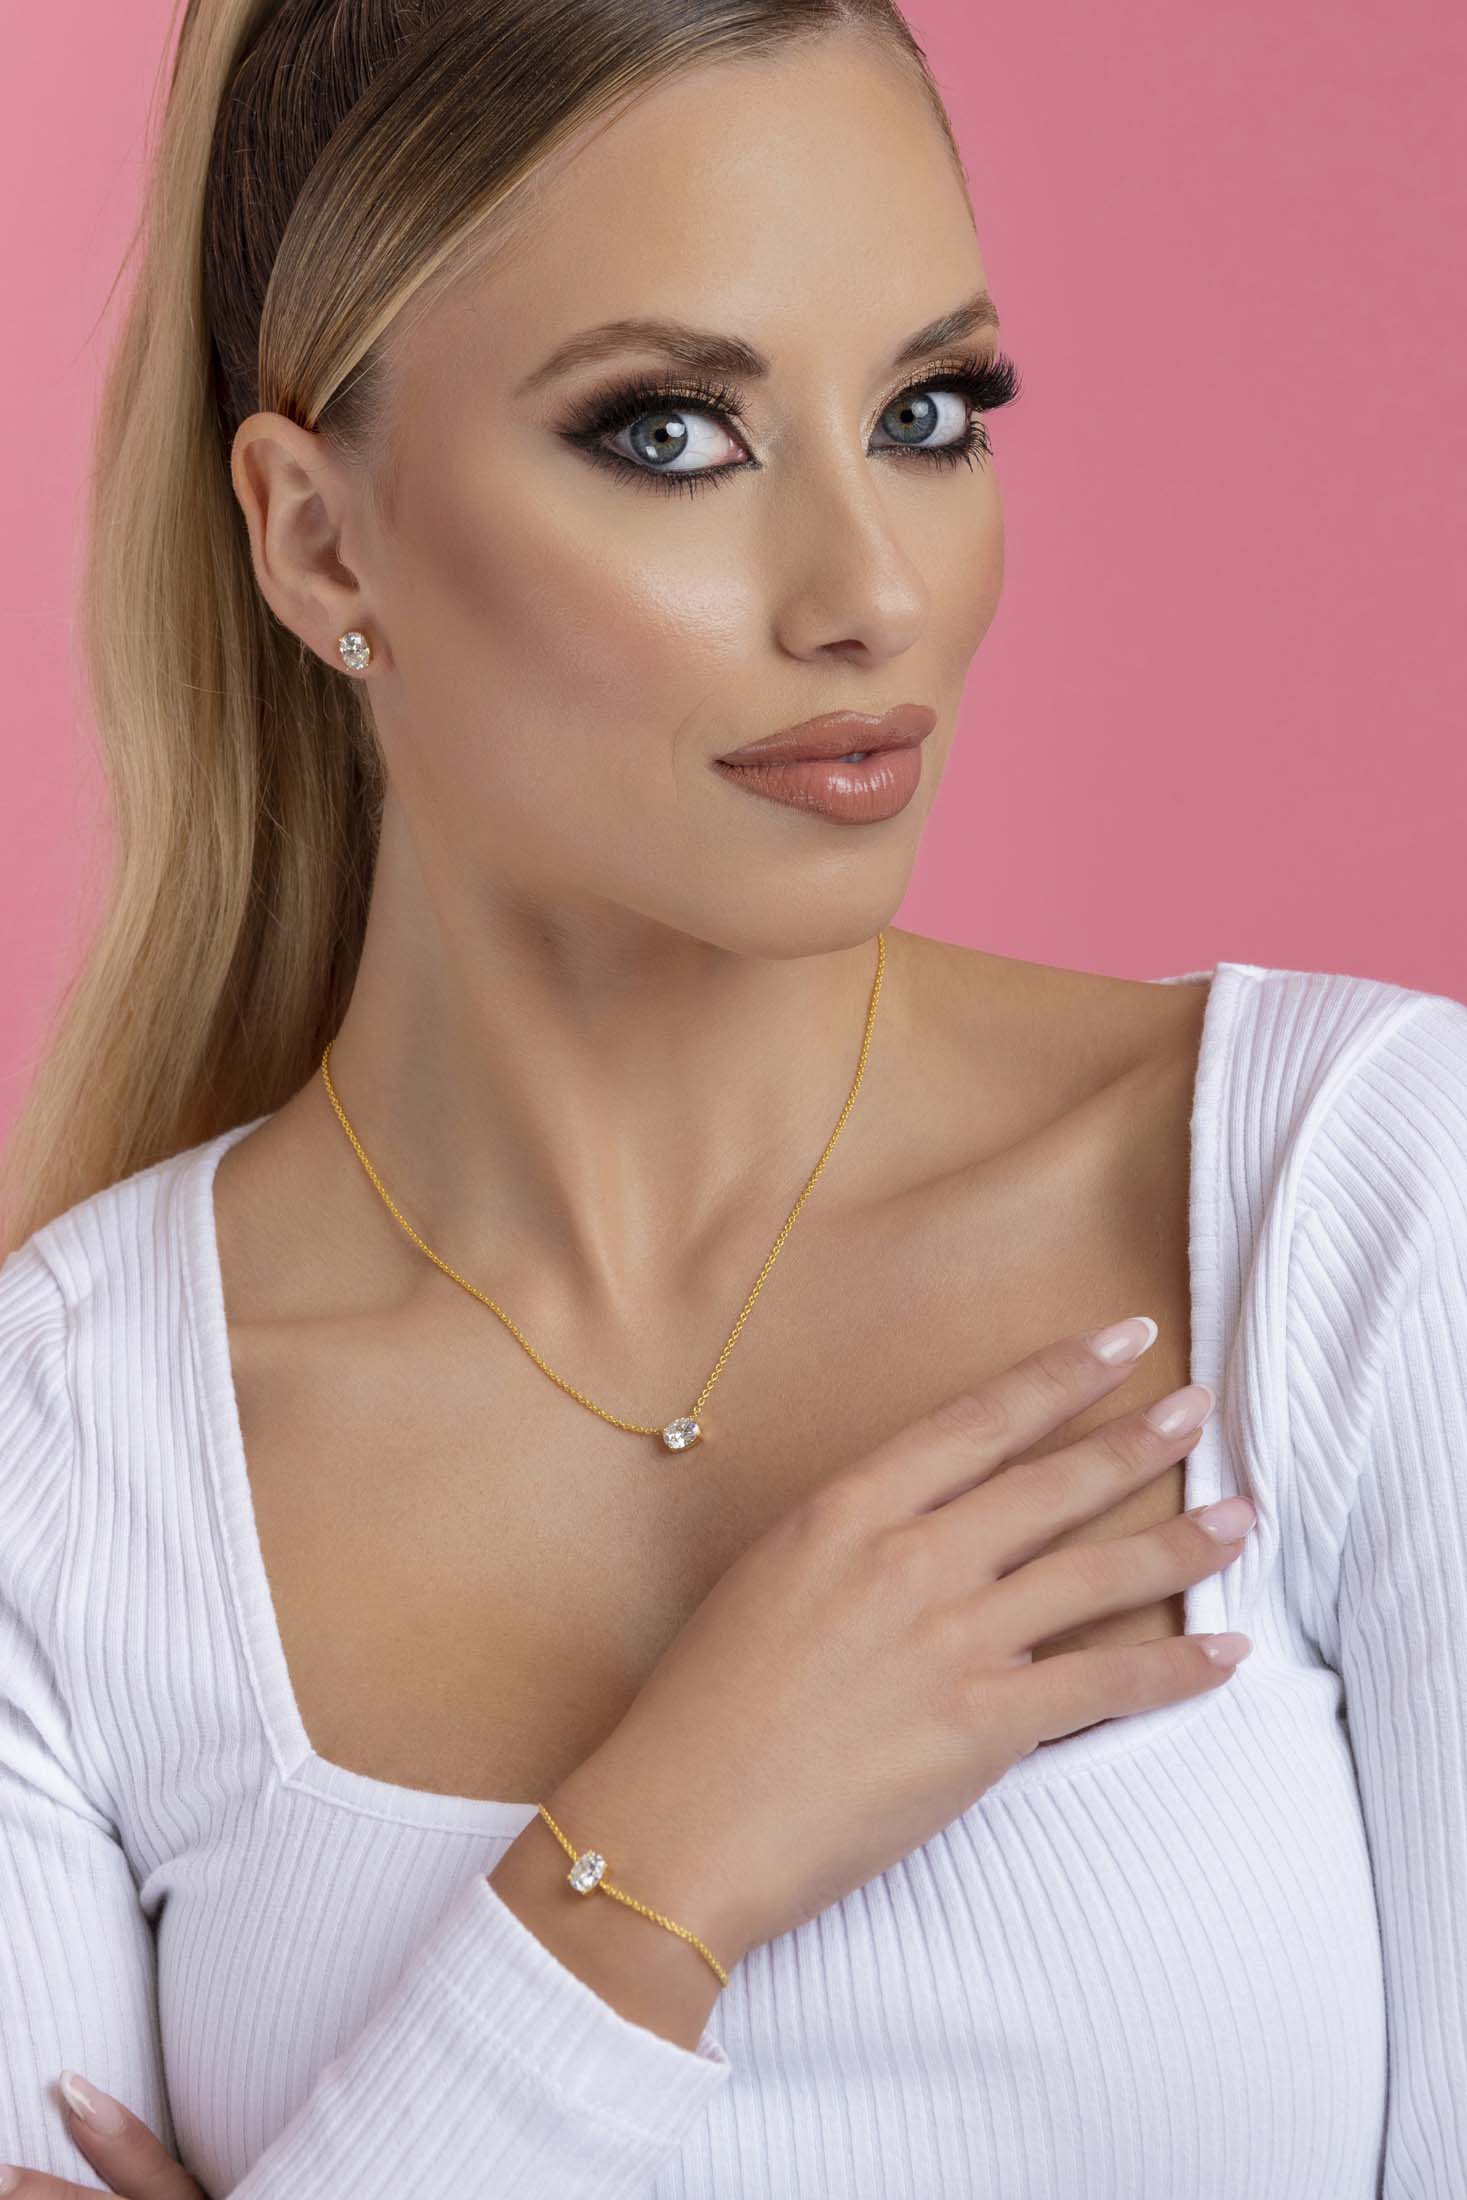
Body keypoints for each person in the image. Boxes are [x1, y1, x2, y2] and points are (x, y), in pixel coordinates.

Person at [2, 1, 1464, 2194]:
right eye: (672, 432)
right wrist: (655, 1862)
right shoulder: (58, 1455)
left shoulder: (1355, 1206)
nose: (872, 594)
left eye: (927, 413)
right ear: (319, 543)